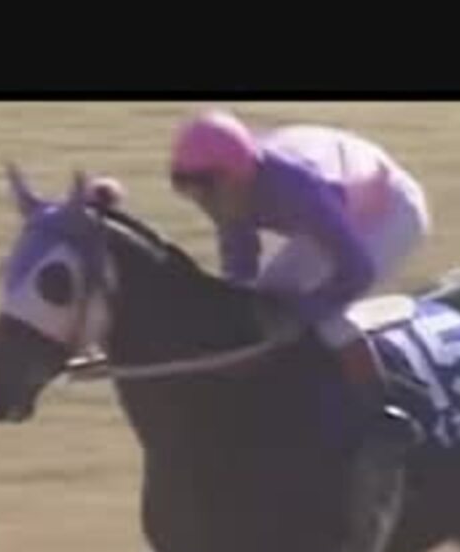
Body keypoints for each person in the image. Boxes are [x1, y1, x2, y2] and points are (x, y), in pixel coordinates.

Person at [167, 108, 434, 452]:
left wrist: (306, 308)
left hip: (392, 212)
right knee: (268, 298)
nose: (205, 207)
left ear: (235, 178)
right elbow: (240, 267)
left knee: (320, 317)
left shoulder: (298, 189)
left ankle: (384, 416)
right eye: (195, 196)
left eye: (208, 194)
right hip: (343, 208)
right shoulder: (232, 190)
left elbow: (356, 269)